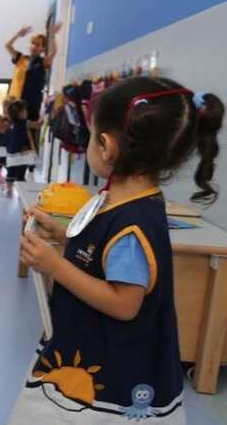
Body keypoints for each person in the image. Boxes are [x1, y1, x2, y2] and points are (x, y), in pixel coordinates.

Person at [12, 77, 224, 424]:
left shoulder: (132, 223)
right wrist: (64, 236)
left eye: (91, 136)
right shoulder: (121, 201)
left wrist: (56, 266)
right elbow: (103, 256)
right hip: (90, 349)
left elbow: (124, 304)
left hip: (112, 368)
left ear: (107, 146)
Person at [5, 23, 62, 123]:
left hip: (32, 104)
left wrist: (52, 35)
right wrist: (18, 34)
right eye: (33, 43)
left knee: (29, 133)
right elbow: (8, 45)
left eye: (38, 44)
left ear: (43, 49)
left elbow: (53, 52)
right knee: (14, 131)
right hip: (16, 102)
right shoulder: (21, 59)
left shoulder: (43, 62)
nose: (34, 46)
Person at [5, 100, 36, 185]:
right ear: (20, 113)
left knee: (10, 173)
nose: (26, 112)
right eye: (25, 110)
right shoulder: (25, 123)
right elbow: (38, 124)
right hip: (23, 152)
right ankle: (20, 192)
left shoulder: (10, 123)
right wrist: (45, 114)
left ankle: (9, 190)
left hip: (12, 152)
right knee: (20, 174)